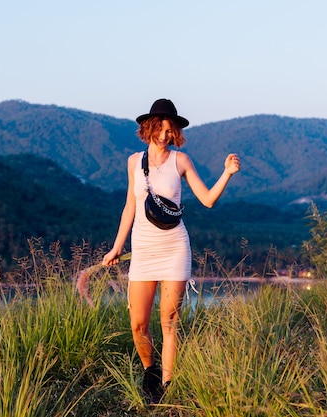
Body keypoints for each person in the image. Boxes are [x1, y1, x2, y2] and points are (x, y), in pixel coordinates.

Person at [102, 98, 241, 403]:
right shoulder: (133, 162)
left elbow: (207, 200)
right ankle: (150, 371)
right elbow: (130, 208)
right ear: (149, 128)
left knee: (169, 321)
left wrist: (227, 173)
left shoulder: (181, 161)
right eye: (160, 128)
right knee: (138, 323)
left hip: (174, 248)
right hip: (142, 252)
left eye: (170, 130)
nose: (165, 135)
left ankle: (166, 385)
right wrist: (116, 247)